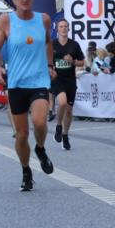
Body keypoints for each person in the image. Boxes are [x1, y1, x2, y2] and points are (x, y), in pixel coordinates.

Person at [0, 0, 55, 191]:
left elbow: (47, 42)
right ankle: (26, 170)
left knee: (39, 122)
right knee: (21, 134)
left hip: (38, 80)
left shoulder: (43, 20)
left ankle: (40, 148)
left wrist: (49, 64)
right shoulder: (5, 21)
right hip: (17, 83)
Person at [50, 18, 85, 151]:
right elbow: (45, 61)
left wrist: (73, 61)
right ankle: (59, 125)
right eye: (61, 26)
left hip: (70, 79)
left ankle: (65, 135)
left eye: (66, 26)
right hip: (57, 79)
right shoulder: (52, 45)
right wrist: (50, 69)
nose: (64, 28)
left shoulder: (74, 45)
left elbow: (82, 62)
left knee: (69, 110)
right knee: (62, 102)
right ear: (57, 29)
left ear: (69, 29)